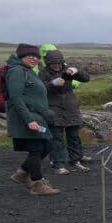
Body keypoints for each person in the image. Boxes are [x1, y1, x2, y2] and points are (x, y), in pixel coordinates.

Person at [5, 44, 59, 196]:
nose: (34, 59)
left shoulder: (27, 71)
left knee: (46, 146)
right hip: (26, 117)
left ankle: (22, 173)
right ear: (22, 56)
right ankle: (37, 183)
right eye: (30, 56)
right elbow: (16, 98)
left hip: (36, 116)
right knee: (36, 148)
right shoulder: (16, 71)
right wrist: (28, 119)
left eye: (36, 56)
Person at [39, 45, 92, 175]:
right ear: (48, 63)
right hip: (54, 110)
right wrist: (52, 84)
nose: (57, 66)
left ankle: (76, 162)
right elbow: (40, 90)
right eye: (53, 64)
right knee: (57, 139)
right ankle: (59, 165)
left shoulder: (67, 69)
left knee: (74, 137)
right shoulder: (43, 73)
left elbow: (86, 78)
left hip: (71, 108)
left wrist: (76, 71)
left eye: (59, 63)